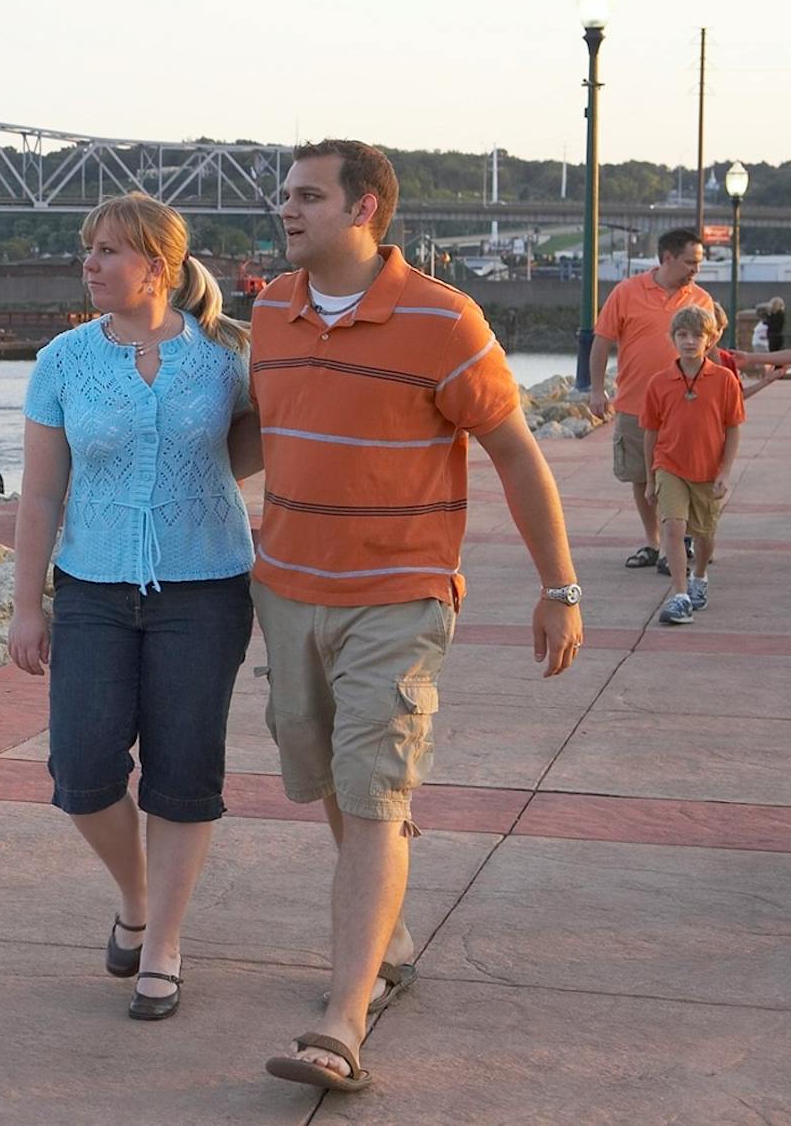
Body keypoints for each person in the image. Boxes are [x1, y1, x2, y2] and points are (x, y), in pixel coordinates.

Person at [247, 141, 582, 1094]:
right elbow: (253, 432)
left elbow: (516, 453)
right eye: (286, 195)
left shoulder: (444, 320)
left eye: (308, 196)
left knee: (373, 789)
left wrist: (559, 589)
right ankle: (382, 911)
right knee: (322, 778)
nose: (287, 209)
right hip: (286, 588)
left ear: (366, 210)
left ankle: (343, 1018)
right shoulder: (272, 307)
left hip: (399, 597)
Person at [9, 192, 262, 1024]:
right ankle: (136, 897)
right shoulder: (63, 360)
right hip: (91, 590)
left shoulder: (228, 358)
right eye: (88, 249)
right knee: (81, 774)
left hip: (207, 589)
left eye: (109, 250)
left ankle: (163, 945)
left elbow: (268, 450)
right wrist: (26, 606)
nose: (91, 263)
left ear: (157, 264)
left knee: (185, 773)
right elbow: (41, 494)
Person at [588, 228, 716, 571]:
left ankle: (676, 542)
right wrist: (596, 389)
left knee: (684, 474)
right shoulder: (626, 292)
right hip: (634, 403)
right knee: (641, 476)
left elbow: (712, 353)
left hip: (687, 406)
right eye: (690, 261)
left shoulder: (701, 300)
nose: (695, 269)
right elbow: (601, 341)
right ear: (667, 257)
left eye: (699, 263)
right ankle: (654, 542)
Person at [642, 306, 745, 625]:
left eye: (697, 335)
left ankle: (700, 576)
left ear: (711, 338)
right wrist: (649, 478)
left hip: (707, 470)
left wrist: (725, 472)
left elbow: (733, 427)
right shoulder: (659, 383)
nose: (689, 341)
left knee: (705, 534)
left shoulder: (725, 380)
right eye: (683, 335)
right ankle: (681, 594)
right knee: (673, 527)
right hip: (669, 466)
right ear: (672, 338)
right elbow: (651, 432)